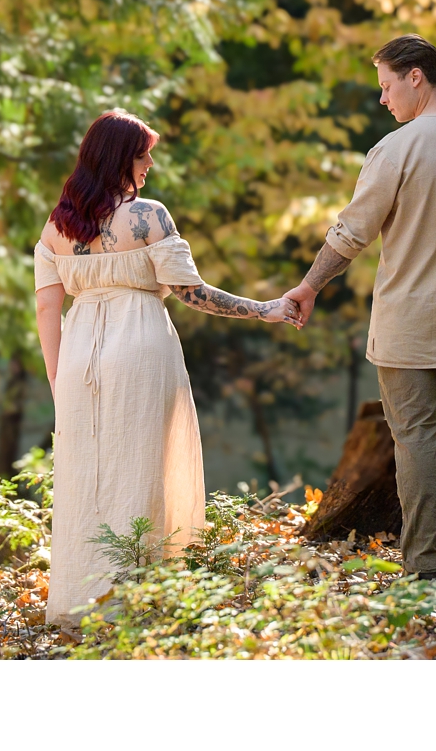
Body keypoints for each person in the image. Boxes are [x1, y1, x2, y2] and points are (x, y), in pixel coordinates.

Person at [282, 34, 436, 579]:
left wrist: (308, 286)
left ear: (415, 76)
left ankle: (422, 573)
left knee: (415, 439)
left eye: (386, 85)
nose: (383, 100)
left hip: (406, 329)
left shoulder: (394, 150)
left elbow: (351, 234)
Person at [33, 109, 296, 627]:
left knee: (88, 479)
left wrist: (57, 380)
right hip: (141, 350)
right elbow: (191, 293)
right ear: (118, 159)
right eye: (142, 153)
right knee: (148, 469)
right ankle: (145, 601)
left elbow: (47, 309)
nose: (149, 163)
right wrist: (264, 308)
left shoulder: (56, 227)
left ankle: (83, 605)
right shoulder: (149, 216)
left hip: (79, 358)